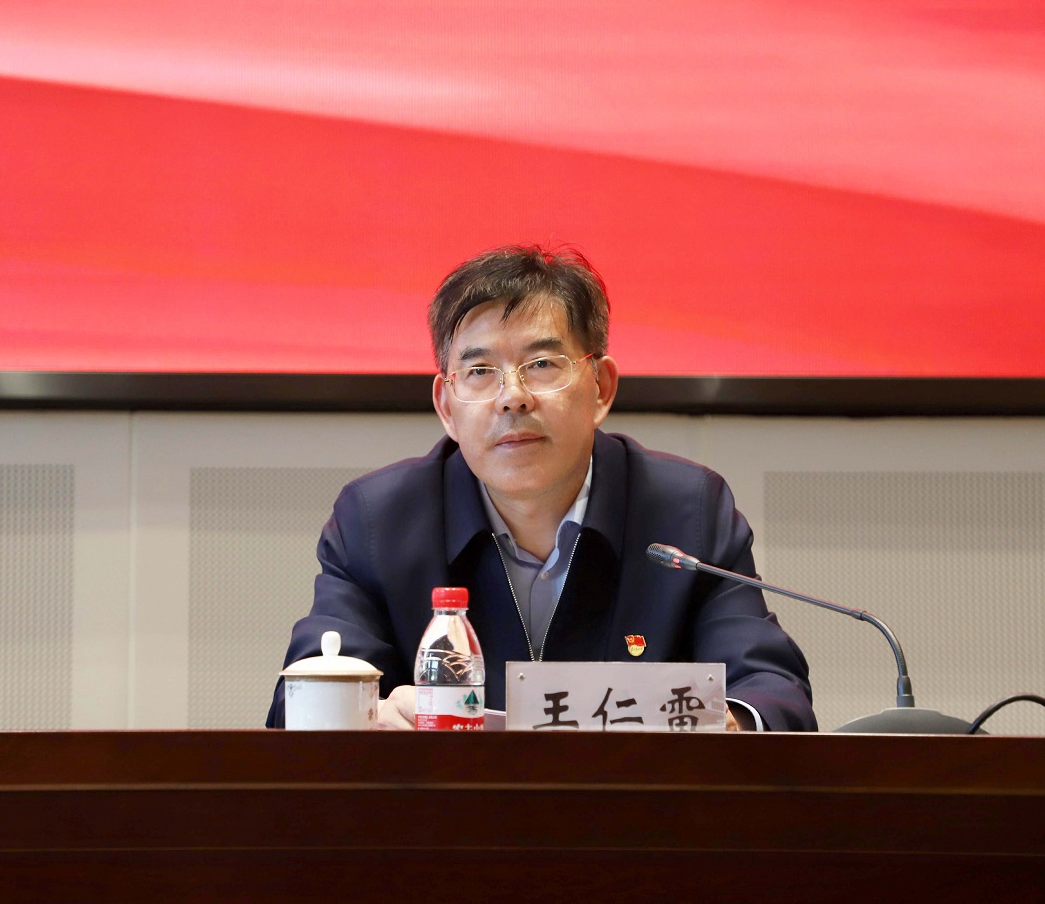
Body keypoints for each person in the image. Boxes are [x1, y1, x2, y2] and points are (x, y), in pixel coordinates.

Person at [266, 245, 815, 731]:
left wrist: (727, 725)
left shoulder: (686, 512)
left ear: (601, 388)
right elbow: (299, 700)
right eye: (480, 371)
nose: (513, 397)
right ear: (446, 407)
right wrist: (371, 716)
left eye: (542, 364)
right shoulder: (377, 521)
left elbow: (771, 689)